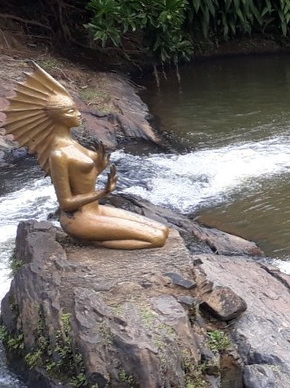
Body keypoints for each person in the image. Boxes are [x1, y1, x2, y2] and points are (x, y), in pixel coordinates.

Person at [2, 63, 169, 249]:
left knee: (164, 230)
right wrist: (102, 192)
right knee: (156, 239)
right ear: (58, 118)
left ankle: (96, 236)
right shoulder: (58, 153)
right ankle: (92, 240)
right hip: (78, 219)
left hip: (96, 210)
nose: (79, 114)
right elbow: (65, 204)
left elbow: (81, 179)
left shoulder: (72, 143)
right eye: (71, 111)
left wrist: (99, 167)